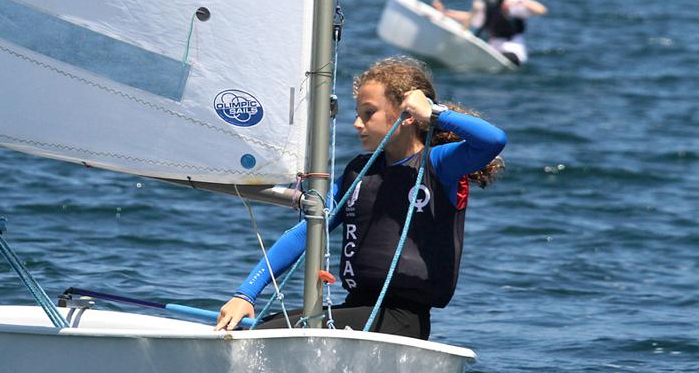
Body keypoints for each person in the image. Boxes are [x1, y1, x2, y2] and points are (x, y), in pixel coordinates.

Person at [215, 57, 505, 339]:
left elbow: (492, 140)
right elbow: (305, 232)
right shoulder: (359, 172)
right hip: (356, 309)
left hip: (401, 321)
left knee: (267, 333)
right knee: (256, 327)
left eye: (368, 113)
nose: (356, 123)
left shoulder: (438, 164)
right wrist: (246, 294)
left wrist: (434, 113)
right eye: (357, 113)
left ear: (407, 117)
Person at [433, 0, 547, 66]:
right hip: (493, 49)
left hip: (513, 50)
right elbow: (469, 17)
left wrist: (517, 2)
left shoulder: (514, 3)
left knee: (507, 58)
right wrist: (444, 12)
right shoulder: (487, 4)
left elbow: (541, 10)